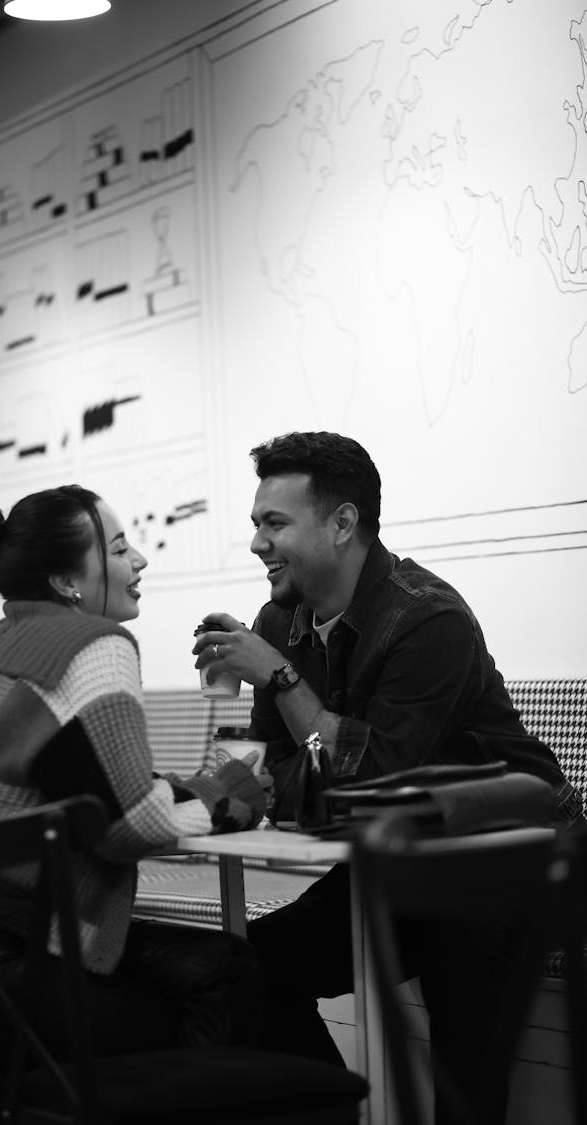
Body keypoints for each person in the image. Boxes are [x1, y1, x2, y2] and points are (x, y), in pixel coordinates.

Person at [192, 431, 583, 1125]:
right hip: (397, 851)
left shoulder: (427, 617)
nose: (256, 542)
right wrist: (221, 786)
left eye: (274, 522)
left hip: (508, 855)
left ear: (343, 524)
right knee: (246, 968)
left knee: (463, 1068)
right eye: (256, 522)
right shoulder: (277, 622)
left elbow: (365, 775)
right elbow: (270, 768)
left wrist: (281, 685)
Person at [0, 484, 265, 1060]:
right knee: (225, 976)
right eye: (117, 550)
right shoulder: (96, 644)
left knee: (216, 965)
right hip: (8, 969)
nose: (138, 560)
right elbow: (130, 825)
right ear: (68, 583)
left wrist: (185, 789)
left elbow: (75, 781)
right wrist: (228, 795)